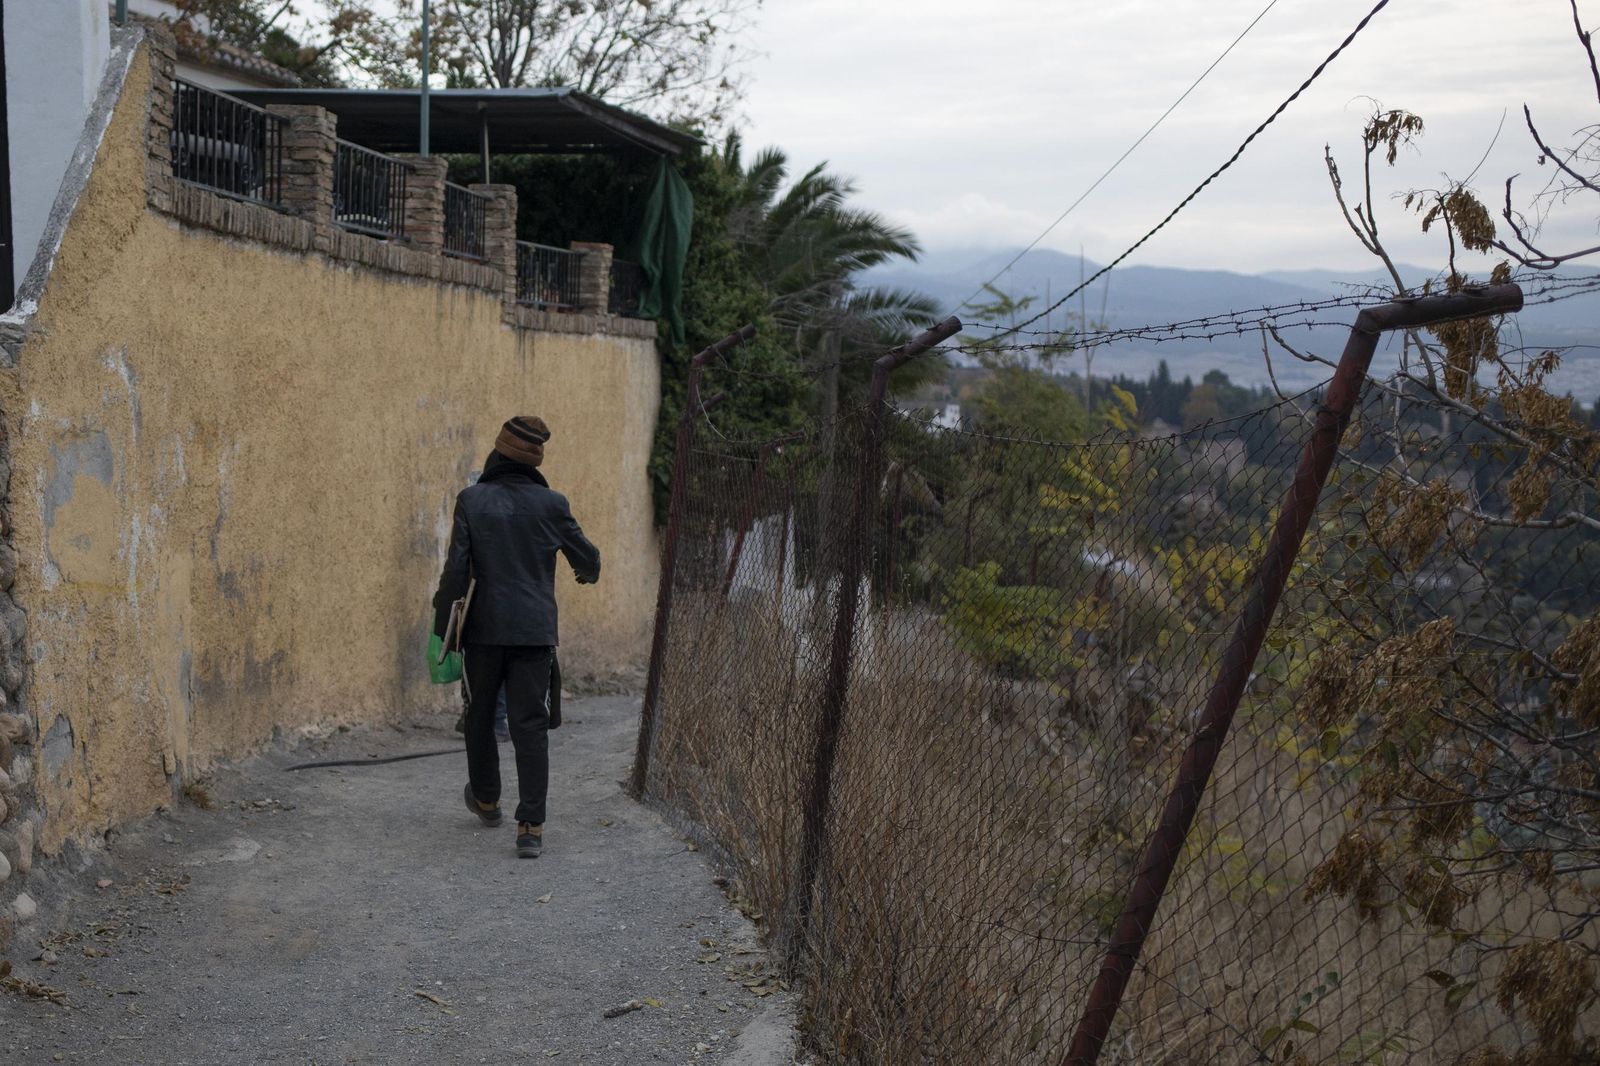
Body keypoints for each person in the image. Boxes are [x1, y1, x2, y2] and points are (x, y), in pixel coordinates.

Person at [433, 416, 600, 858]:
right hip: (534, 631)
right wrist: (584, 573)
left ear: (498, 452)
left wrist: (442, 629)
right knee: (530, 725)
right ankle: (530, 827)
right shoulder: (553, 504)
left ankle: (487, 800)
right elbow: (589, 560)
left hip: (483, 631)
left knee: (480, 714)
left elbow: (455, 572)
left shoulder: (471, 500)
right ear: (535, 460)